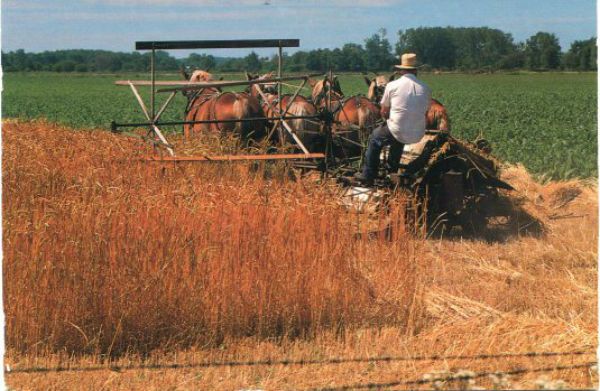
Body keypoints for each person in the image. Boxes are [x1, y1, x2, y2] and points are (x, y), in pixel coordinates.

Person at [355, 53, 432, 186]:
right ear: (416, 70)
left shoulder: (392, 85)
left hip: (398, 129)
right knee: (398, 138)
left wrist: (387, 118)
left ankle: (368, 175)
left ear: (401, 70)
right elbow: (424, 111)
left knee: (374, 138)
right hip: (417, 133)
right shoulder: (426, 88)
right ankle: (392, 172)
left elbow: (383, 111)